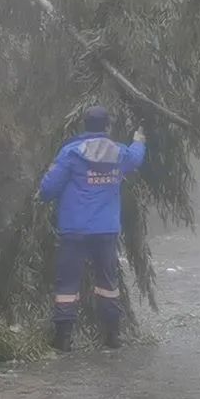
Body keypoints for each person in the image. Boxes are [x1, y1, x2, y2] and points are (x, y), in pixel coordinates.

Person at [38, 106, 147, 351]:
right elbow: (136, 158)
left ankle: (63, 339)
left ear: (84, 125)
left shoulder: (71, 152)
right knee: (108, 283)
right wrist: (139, 140)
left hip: (74, 229)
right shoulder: (120, 153)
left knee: (67, 284)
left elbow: (48, 189)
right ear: (107, 126)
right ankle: (112, 337)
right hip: (106, 230)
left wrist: (47, 189)